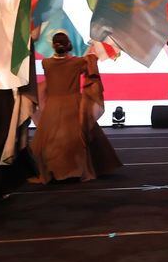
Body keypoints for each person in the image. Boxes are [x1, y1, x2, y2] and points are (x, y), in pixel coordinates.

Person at [30, 33, 121, 183]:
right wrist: (94, 48)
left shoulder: (46, 63)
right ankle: (77, 169)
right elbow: (91, 63)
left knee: (52, 140)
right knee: (78, 138)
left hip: (53, 106)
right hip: (73, 104)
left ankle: (54, 170)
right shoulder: (78, 63)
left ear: (53, 45)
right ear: (68, 45)